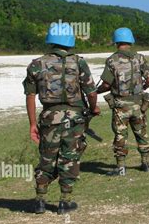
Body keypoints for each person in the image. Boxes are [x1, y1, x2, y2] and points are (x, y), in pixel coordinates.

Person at [23, 23, 100, 214]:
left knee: (47, 157)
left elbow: (30, 96)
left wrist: (32, 124)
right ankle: (65, 202)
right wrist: (93, 108)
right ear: (70, 40)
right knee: (70, 158)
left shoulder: (36, 64)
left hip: (49, 118)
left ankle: (40, 200)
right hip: (75, 118)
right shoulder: (79, 62)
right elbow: (91, 91)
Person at [97, 27, 149, 176]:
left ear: (116, 41)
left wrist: (95, 92)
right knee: (141, 133)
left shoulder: (111, 60)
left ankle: (121, 167)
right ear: (130, 40)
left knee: (120, 135)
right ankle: (146, 163)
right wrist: (141, 88)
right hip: (139, 105)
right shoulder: (139, 58)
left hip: (120, 106)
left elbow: (106, 85)